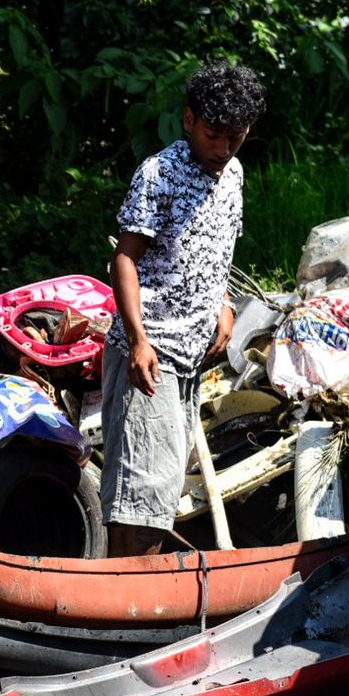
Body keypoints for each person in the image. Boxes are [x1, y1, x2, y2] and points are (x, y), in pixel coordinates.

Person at [102, 62, 267, 557]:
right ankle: (118, 613)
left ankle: (134, 613)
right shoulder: (159, 174)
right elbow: (124, 258)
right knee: (139, 500)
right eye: (213, 135)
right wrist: (137, 342)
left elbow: (215, 250)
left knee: (162, 492)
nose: (222, 150)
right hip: (150, 356)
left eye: (234, 138)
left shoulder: (233, 174)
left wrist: (222, 303)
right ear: (189, 119)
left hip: (191, 360)